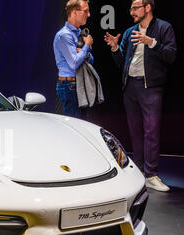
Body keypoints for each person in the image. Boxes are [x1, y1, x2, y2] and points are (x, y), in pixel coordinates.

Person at [104, 0, 177, 192]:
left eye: (135, 8)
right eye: (130, 8)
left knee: (151, 132)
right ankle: (139, 173)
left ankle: (151, 175)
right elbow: (122, 63)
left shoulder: (163, 28)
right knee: (135, 131)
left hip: (151, 88)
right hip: (131, 87)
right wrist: (114, 47)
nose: (131, 12)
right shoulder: (129, 32)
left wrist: (151, 42)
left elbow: (171, 55)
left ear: (147, 7)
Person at [53, 0, 93, 120]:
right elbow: (74, 64)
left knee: (83, 124)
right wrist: (87, 46)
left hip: (79, 83)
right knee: (73, 125)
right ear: (75, 12)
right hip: (69, 85)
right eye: (86, 11)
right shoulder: (64, 35)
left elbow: (90, 62)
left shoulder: (80, 33)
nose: (89, 14)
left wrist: (85, 53)